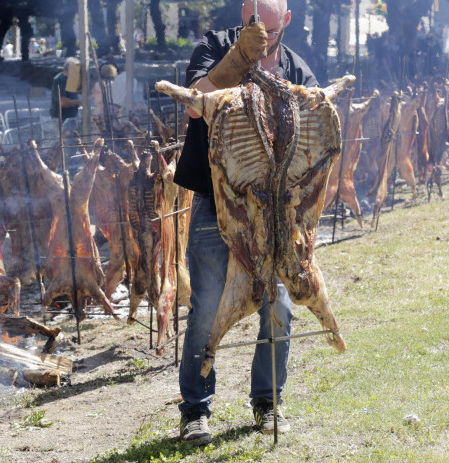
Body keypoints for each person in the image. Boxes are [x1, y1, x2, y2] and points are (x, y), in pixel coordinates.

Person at [174, 0, 318, 446]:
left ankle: (267, 403)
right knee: (207, 310)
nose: (265, 36)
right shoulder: (214, 47)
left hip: (274, 210)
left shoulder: (297, 69)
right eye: (257, 26)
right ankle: (195, 411)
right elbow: (197, 104)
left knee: (279, 307)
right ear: (243, 16)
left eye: (272, 29)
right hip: (216, 203)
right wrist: (238, 59)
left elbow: (314, 140)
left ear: (287, 22)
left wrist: (305, 220)